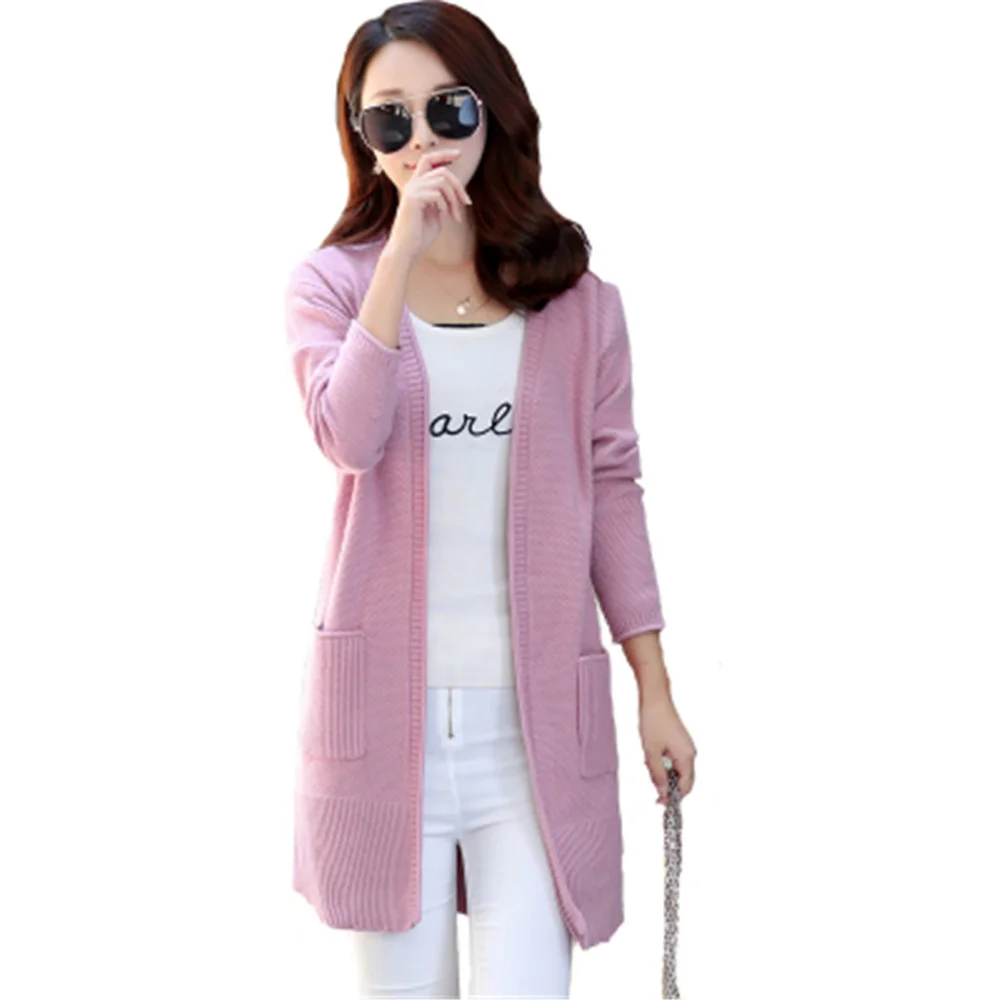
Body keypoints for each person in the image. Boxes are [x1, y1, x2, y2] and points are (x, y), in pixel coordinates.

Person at [283, 2, 697, 996]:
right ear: (362, 136)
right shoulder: (330, 286)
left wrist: (653, 687)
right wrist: (396, 260)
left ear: (492, 111)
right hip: (383, 732)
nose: (422, 137)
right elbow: (348, 435)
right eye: (390, 118)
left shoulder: (578, 304)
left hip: (533, 728)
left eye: (449, 107)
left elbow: (613, 492)